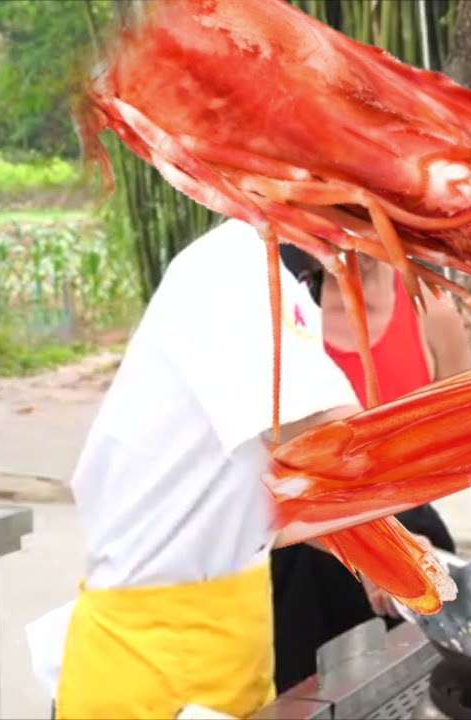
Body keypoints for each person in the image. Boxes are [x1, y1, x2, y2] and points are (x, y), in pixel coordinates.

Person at [26, 219, 361, 719]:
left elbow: (254, 486)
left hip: (225, 655)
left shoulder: (283, 282)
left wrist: (376, 548)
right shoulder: (233, 269)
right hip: (155, 675)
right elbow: (338, 440)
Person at [271, 247, 471, 693]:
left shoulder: (433, 313)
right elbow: (276, 462)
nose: (348, 245)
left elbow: (459, 440)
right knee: (307, 696)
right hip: (312, 544)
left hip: (410, 536)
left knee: (424, 689)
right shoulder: (292, 318)